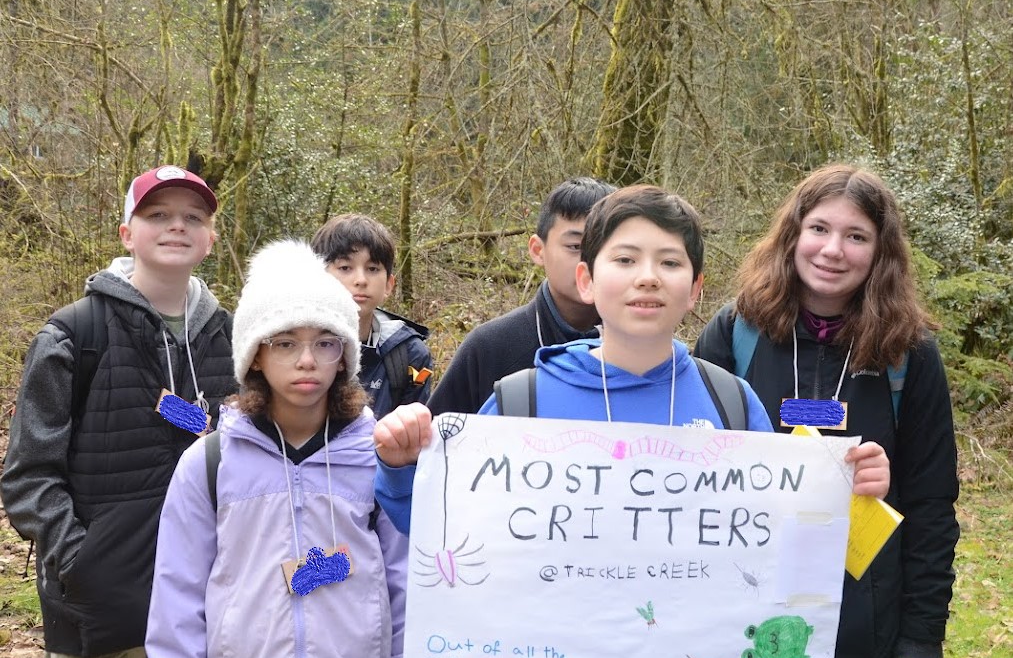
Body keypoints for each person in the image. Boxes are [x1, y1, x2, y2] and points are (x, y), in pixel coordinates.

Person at [373, 184, 891, 537]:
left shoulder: (732, 404)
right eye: (624, 260)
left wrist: (843, 495)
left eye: (670, 262)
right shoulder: (519, 401)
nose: (648, 277)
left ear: (695, 290)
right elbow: (442, 527)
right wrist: (399, 467)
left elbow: (779, 536)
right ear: (587, 281)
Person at [693, 164, 959, 658]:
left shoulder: (908, 354)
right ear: (791, 234)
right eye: (817, 228)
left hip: (852, 635)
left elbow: (931, 504)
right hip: (733, 623)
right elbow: (688, 474)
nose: (832, 250)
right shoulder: (733, 334)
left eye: (855, 236)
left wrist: (919, 638)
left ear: (881, 251)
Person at [1, 165, 236, 658]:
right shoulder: (74, 332)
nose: (177, 226)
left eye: (193, 216)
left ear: (211, 238)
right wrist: (83, 561)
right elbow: (27, 476)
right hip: (95, 613)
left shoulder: (233, 339)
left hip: (193, 611)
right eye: (159, 214)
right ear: (127, 231)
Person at [145, 239, 407, 658]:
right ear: (255, 356)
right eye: (285, 343)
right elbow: (177, 600)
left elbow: (401, 585)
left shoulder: (378, 458)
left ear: (346, 355)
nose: (306, 360)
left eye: (324, 342)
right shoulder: (210, 465)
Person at [426, 176, 617, 415]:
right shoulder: (489, 348)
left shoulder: (639, 349)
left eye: (606, 249)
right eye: (576, 247)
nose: (590, 262)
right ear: (538, 250)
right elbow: (438, 440)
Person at [310, 212, 432, 417]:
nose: (360, 280)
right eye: (345, 267)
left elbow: (417, 440)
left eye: (373, 268)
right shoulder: (291, 347)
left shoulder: (411, 355)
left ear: (389, 285)